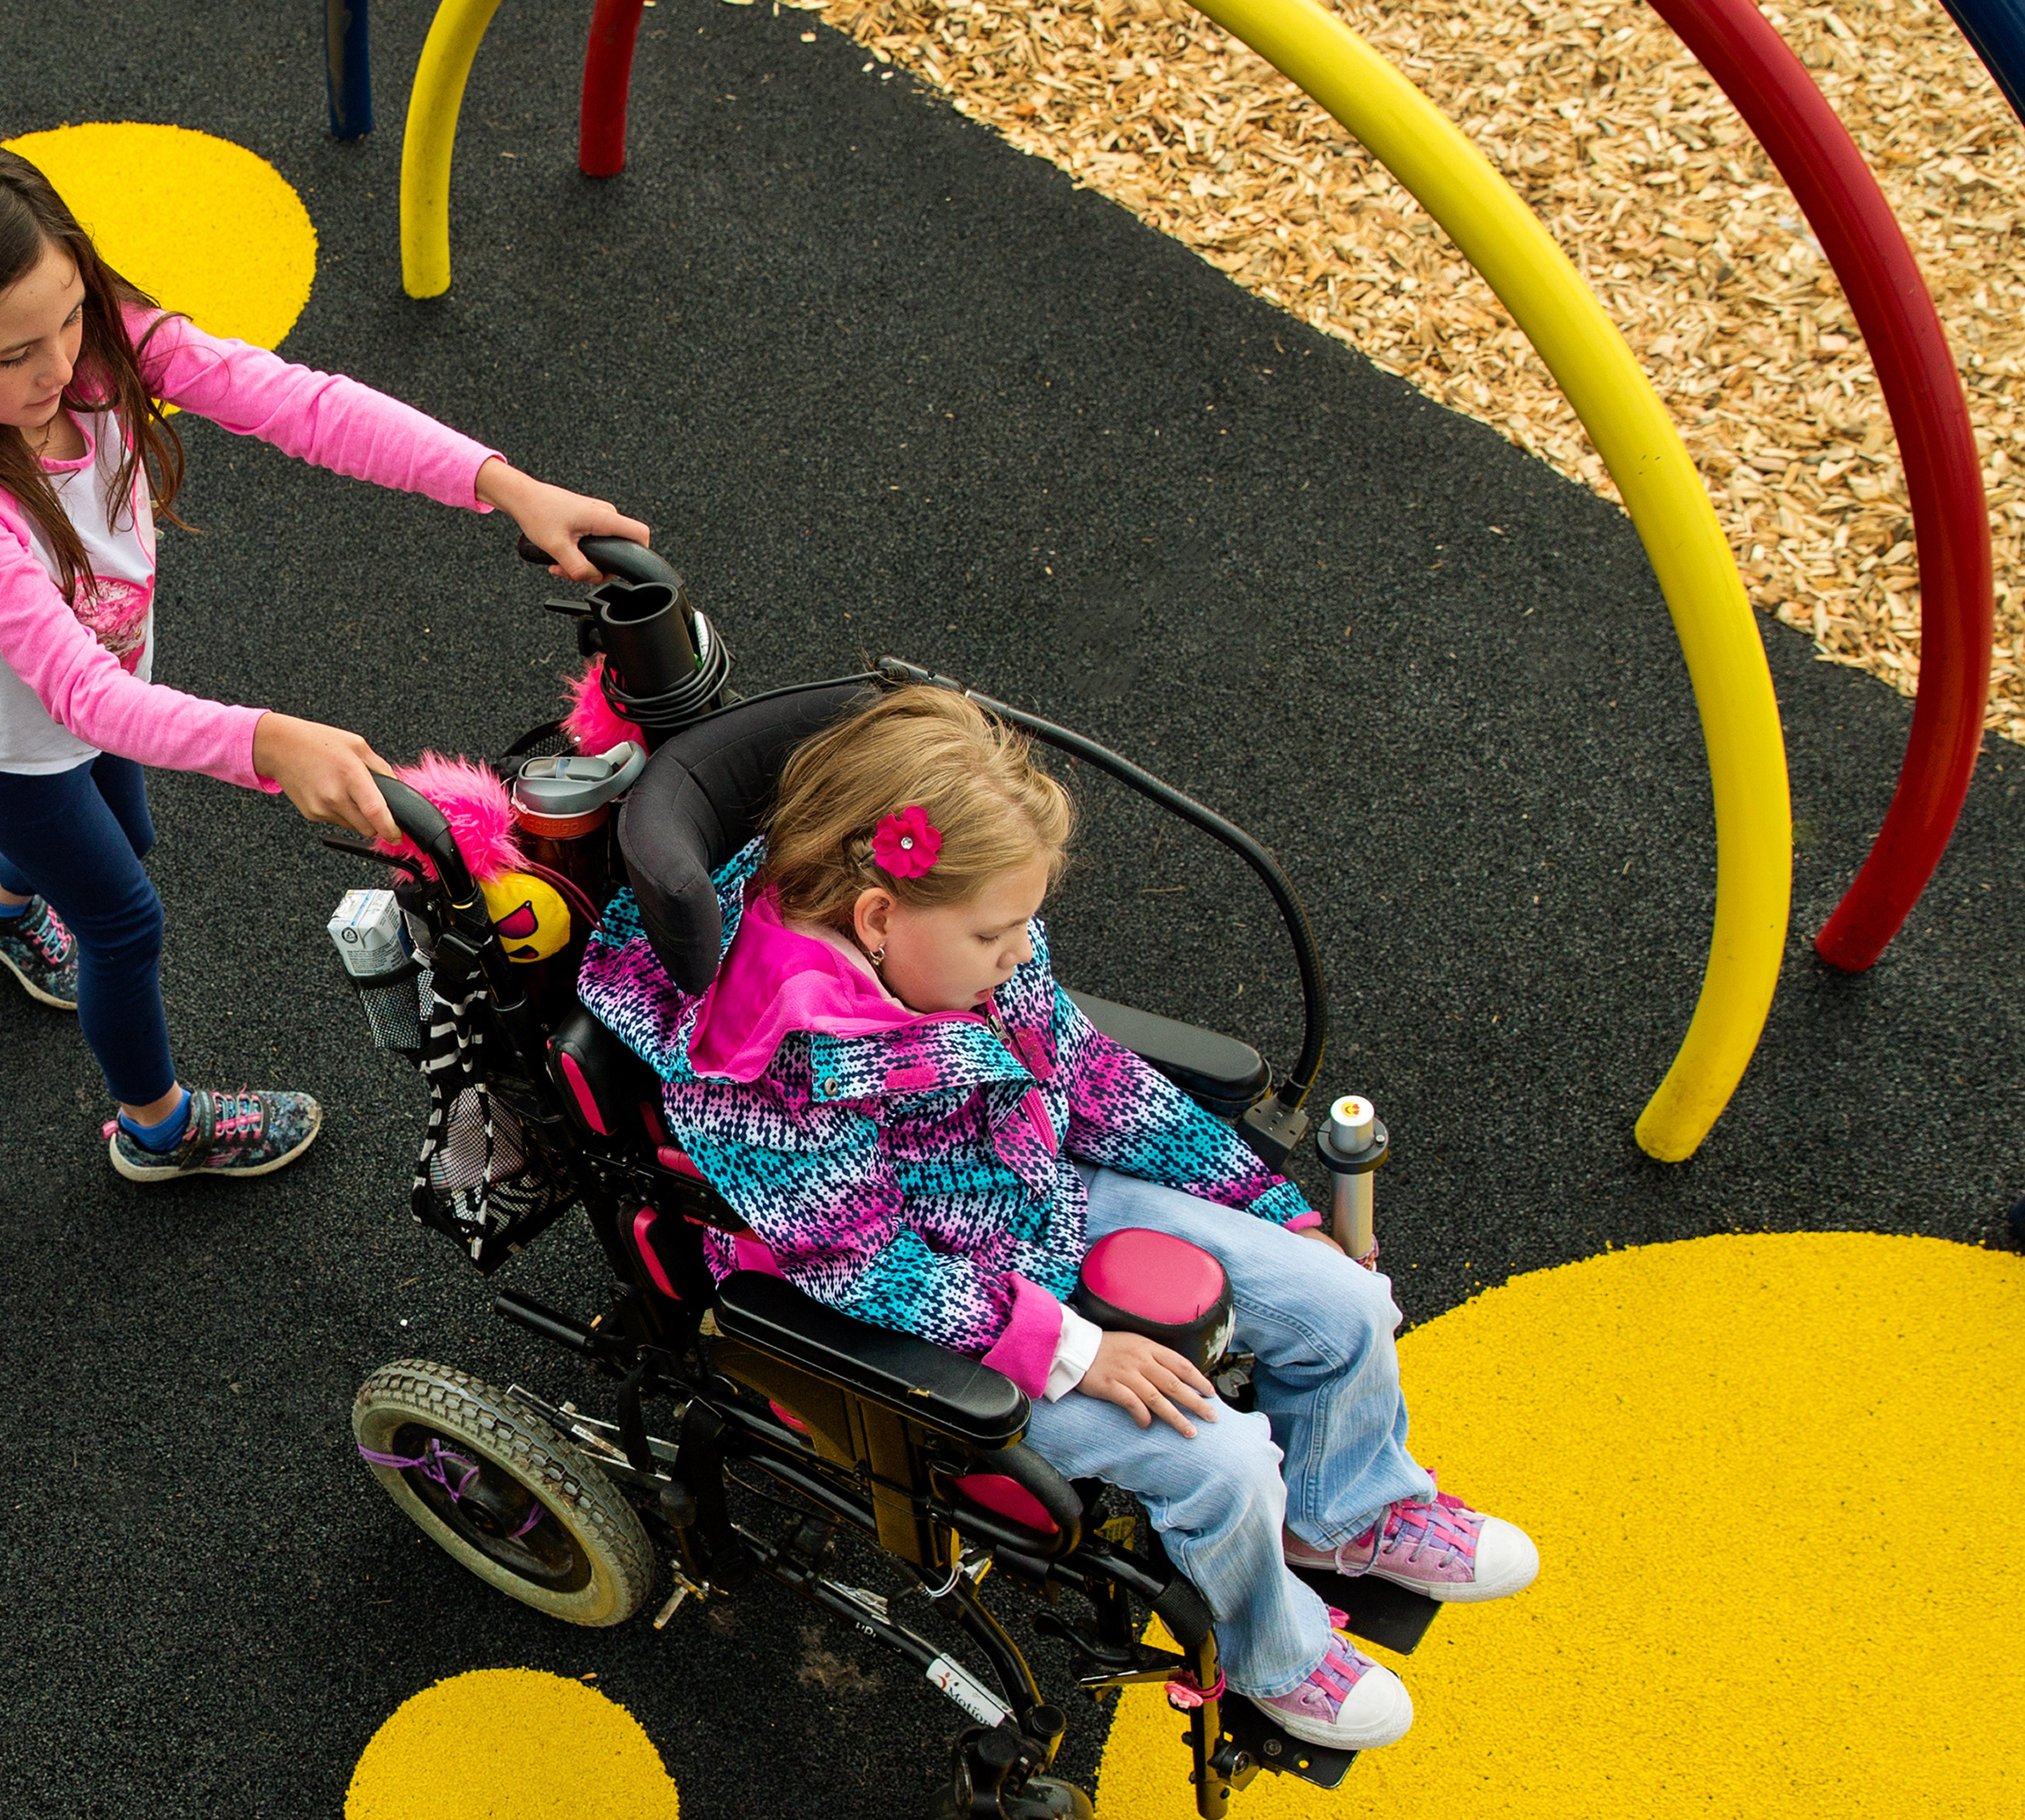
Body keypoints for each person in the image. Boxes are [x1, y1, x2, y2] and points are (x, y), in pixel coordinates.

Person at [576, 686, 1537, 1750]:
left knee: (1341, 1301)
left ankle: (1346, 1507)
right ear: (879, 917)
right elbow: (856, 1264)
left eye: (1029, 921)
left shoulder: (967, 951)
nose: (1019, 951)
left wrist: (1269, 1203)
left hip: (1040, 1195)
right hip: (927, 1311)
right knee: (1219, 1465)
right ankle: (1277, 1652)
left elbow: (1085, 1074)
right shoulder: (766, 1066)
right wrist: (1074, 1350)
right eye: (998, 930)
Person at [0, 130, 644, 1183]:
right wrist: (266, 742)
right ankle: (157, 1128)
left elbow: (301, 403)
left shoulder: (97, 350)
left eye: (74, 314)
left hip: (93, 705)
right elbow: (76, 694)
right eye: (13, 354)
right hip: (7, 741)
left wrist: (505, 485)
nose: (63, 364)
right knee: (124, 920)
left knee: (124, 834)